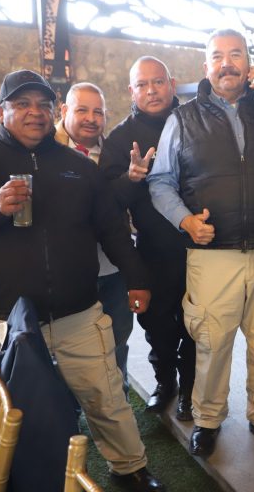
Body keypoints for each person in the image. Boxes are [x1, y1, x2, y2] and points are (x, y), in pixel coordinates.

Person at [0, 69, 166, 492]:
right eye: (22, 104)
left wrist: (137, 279)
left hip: (77, 313)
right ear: (1, 112)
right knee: (9, 408)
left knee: (107, 397)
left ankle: (131, 469)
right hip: (5, 319)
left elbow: (111, 229)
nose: (35, 112)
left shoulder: (78, 167)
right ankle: (3, 476)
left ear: (54, 111)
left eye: (43, 104)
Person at [147, 28, 254, 458]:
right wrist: (185, 220)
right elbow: (160, 182)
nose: (227, 63)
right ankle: (207, 419)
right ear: (206, 66)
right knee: (212, 343)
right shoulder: (183, 119)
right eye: (218, 56)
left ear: (249, 62)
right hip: (212, 256)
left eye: (236, 54)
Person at [99, 56, 195, 420]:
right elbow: (105, 202)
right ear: (131, 90)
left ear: (172, 84)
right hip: (154, 250)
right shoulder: (120, 138)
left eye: (158, 82)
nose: (151, 90)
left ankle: (190, 390)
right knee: (157, 325)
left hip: (201, 245)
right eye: (142, 84)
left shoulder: (195, 122)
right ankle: (165, 382)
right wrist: (131, 179)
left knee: (196, 326)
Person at [54, 81, 134, 394]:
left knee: (117, 341)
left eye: (98, 112)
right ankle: (69, 411)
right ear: (64, 111)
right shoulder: (43, 148)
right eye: (82, 110)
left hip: (113, 270)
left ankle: (118, 401)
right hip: (65, 272)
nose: (91, 118)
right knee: (65, 351)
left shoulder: (115, 151)